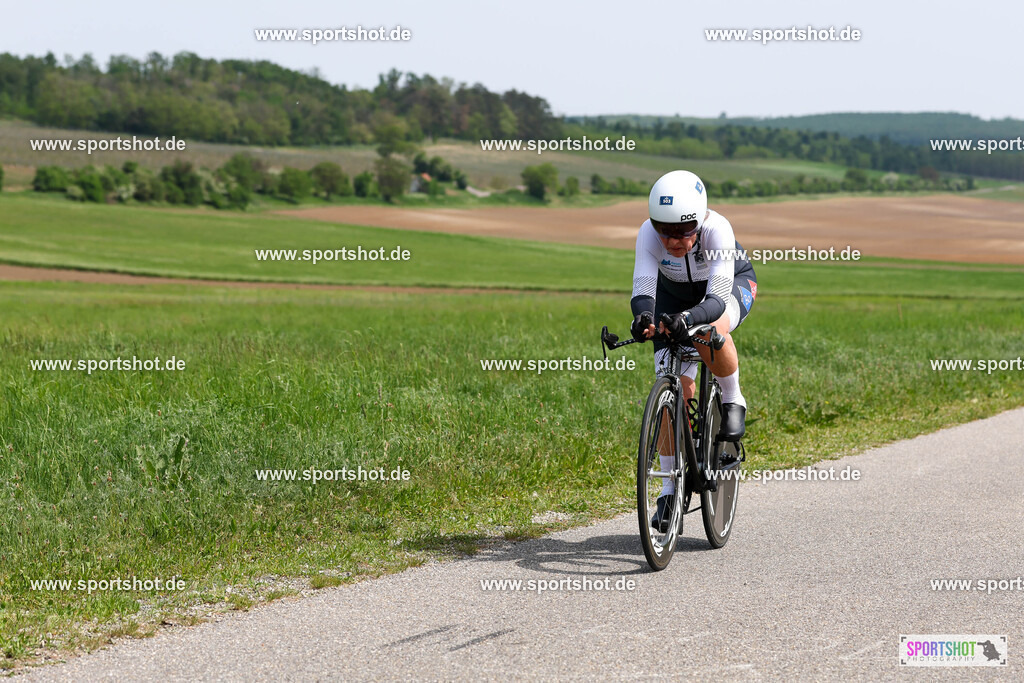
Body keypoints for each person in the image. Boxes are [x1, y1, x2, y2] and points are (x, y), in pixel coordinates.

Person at [629, 170, 757, 530]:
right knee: (673, 388)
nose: (672, 240)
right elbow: (643, 289)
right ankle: (669, 489)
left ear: (699, 222)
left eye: (683, 232)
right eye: (664, 230)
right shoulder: (646, 234)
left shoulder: (718, 230)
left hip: (726, 287)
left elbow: (716, 299)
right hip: (673, 295)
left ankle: (733, 399)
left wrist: (688, 320)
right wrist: (643, 319)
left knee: (711, 333)